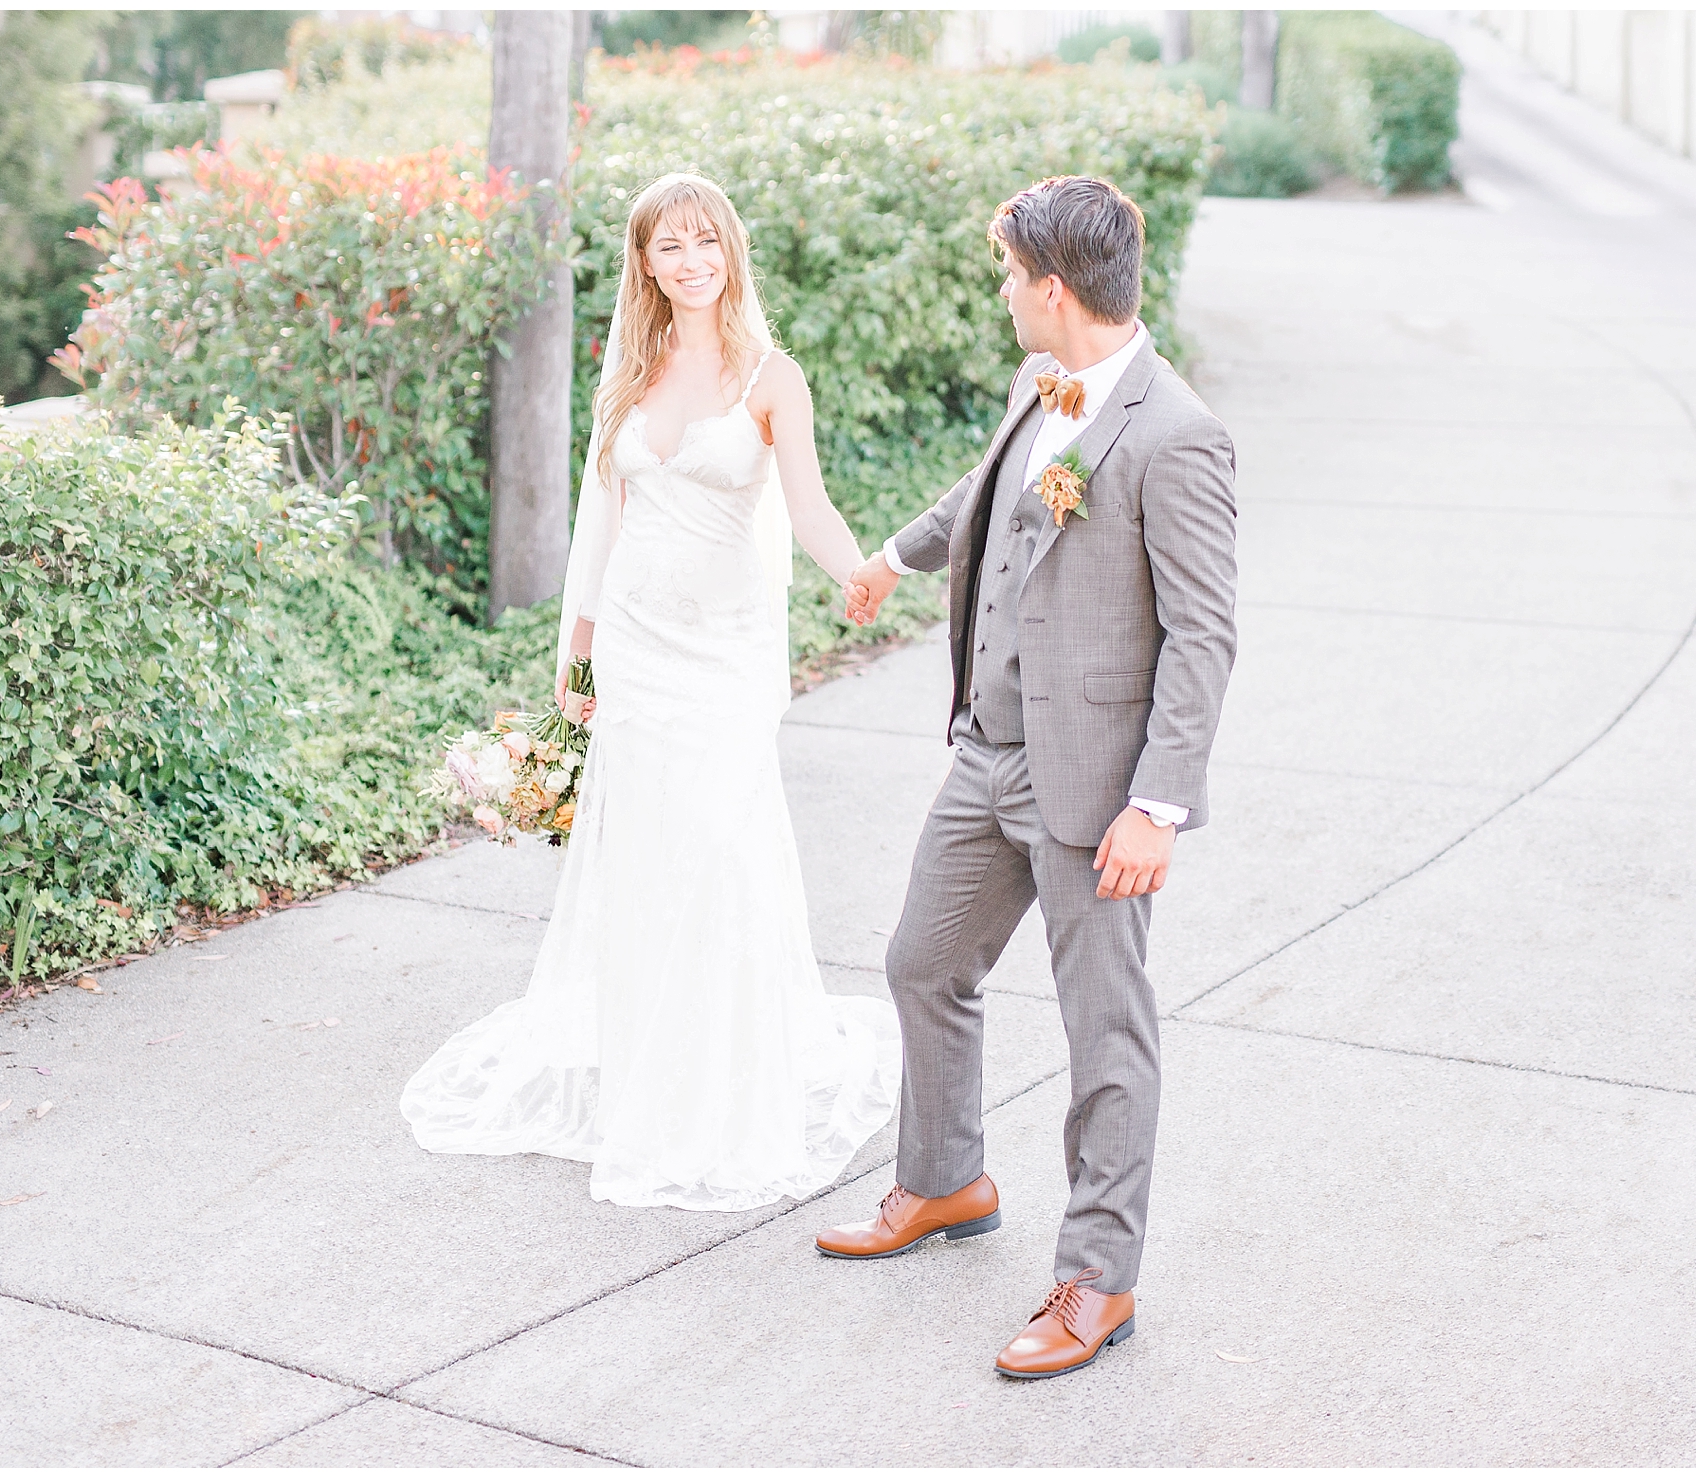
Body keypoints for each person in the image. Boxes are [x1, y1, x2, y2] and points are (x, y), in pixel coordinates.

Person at [400, 173, 901, 1212]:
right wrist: (576, 665)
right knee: (646, 858)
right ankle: (646, 1067)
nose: (690, 261)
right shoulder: (625, 377)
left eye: (705, 241)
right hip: (634, 644)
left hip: (722, 654)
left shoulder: (772, 377)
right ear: (645, 263)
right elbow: (602, 526)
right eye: (669, 246)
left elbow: (806, 505)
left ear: (730, 253)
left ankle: (724, 1071)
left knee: (722, 848)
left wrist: (858, 569)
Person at [830, 175, 1239, 1378]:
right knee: (922, 961)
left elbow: (1205, 634)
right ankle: (947, 1177)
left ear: (1054, 291)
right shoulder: (1036, 382)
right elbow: (992, 490)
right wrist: (892, 558)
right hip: (986, 752)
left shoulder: (1178, 434)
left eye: (1011, 276)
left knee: (1103, 1031)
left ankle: (1095, 1280)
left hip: (1095, 790)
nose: (1003, 292)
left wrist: (1157, 804)